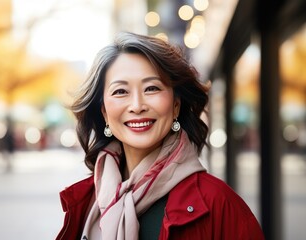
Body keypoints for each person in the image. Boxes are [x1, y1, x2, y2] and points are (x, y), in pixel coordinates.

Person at [55, 32, 264, 240]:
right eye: (120, 91)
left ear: (175, 105)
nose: (137, 106)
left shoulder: (219, 204)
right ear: (104, 112)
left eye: (151, 88)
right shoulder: (84, 204)